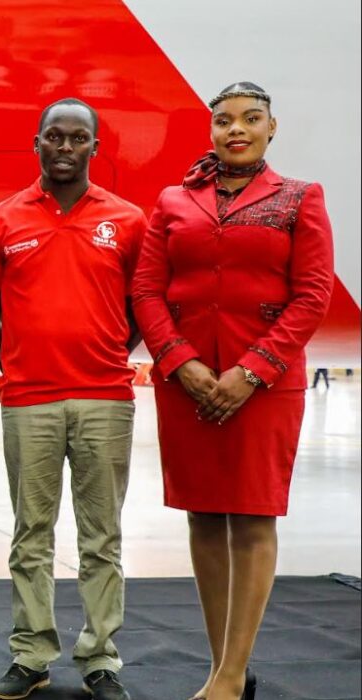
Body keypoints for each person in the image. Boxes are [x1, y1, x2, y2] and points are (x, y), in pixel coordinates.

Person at [132, 82, 334, 700]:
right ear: (210, 130)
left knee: (250, 517)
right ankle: (225, 667)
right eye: (223, 121)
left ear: (273, 127)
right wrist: (180, 361)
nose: (236, 130)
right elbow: (146, 290)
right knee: (201, 515)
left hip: (263, 386)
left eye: (251, 119)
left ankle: (227, 675)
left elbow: (313, 294)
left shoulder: (300, 198)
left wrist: (251, 370)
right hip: (187, 384)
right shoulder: (173, 199)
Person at [0, 99, 143, 700]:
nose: (65, 147)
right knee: (31, 533)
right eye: (54, 137)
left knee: (102, 536)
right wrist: (20, 361)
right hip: (29, 400)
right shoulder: (1, 221)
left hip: (106, 398)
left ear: (95, 148)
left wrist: (105, 352)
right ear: (37, 144)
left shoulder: (128, 221)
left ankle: (100, 657)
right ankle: (32, 652)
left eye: (78, 139)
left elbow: (138, 312)